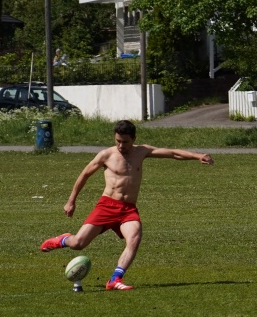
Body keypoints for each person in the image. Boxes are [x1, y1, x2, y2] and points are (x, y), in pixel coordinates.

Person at [40, 119, 214, 290]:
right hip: (107, 206)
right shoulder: (106, 155)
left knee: (134, 238)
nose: (121, 145)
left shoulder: (142, 151)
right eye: (118, 141)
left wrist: (197, 156)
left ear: (134, 139)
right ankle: (62, 240)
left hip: (128, 210)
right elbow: (84, 175)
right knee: (78, 244)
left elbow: (173, 153)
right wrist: (71, 201)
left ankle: (115, 279)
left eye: (125, 142)